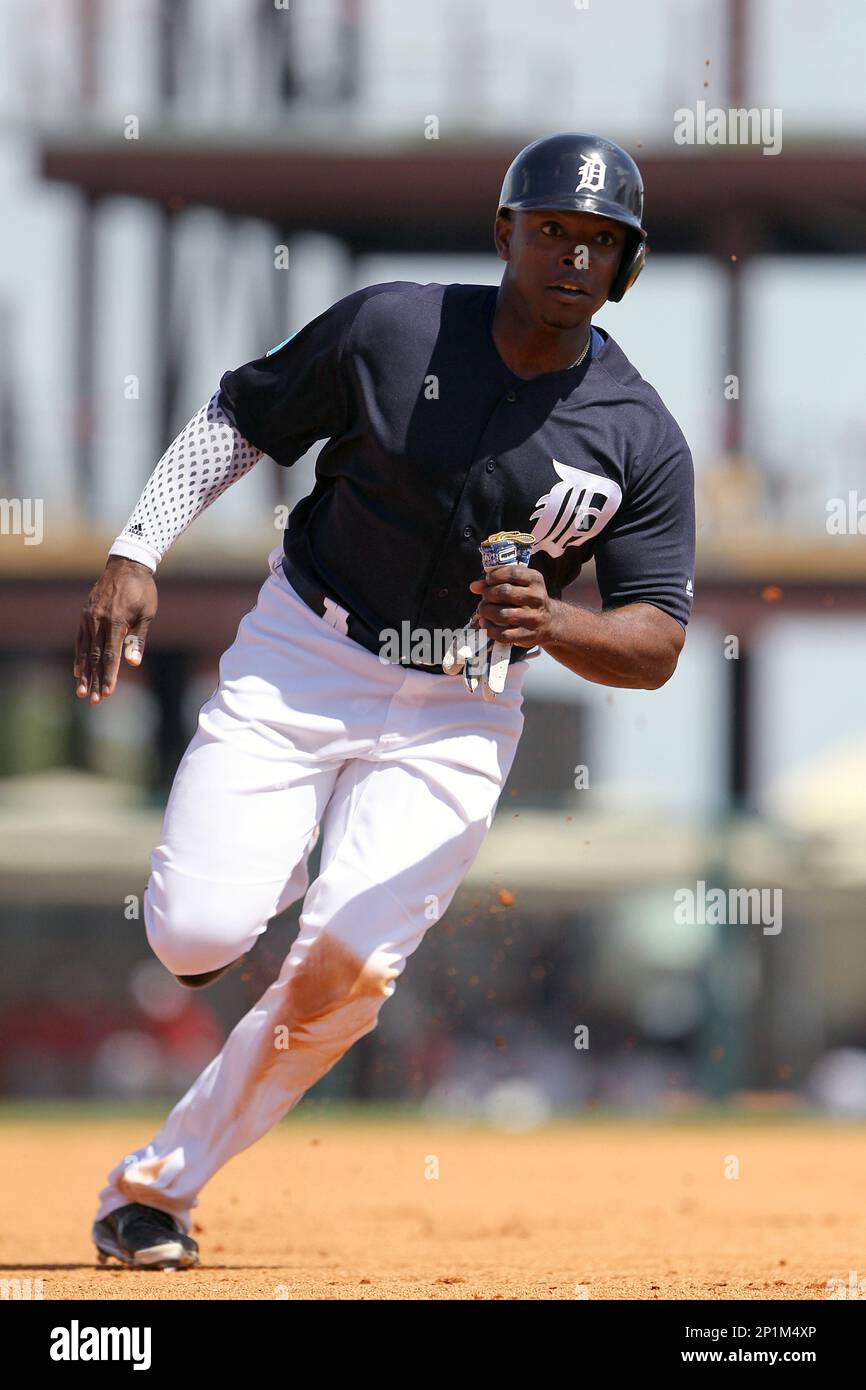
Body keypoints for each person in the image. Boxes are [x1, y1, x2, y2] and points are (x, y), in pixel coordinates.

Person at [74, 132, 695, 1270]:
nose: (573, 254)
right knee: (195, 936)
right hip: (303, 656)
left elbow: (655, 638)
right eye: (552, 226)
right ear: (503, 229)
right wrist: (136, 547)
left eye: (601, 240)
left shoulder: (637, 434)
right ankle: (287, 856)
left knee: (342, 978)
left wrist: (556, 624)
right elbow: (241, 415)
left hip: (461, 707)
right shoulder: (391, 324)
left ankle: (157, 1190)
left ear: (625, 267)